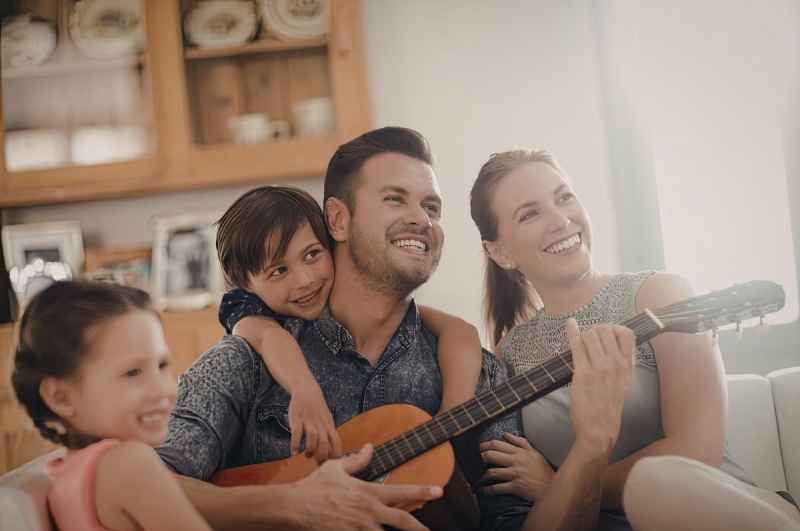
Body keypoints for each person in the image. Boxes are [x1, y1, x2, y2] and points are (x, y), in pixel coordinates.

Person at [155, 127, 636, 531]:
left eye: (432, 207)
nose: (420, 219)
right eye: (394, 198)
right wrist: (289, 504)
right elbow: (145, 485)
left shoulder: (485, 378)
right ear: (338, 220)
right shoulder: (249, 357)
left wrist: (593, 445)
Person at [469, 147, 800, 530]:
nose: (560, 220)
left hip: (714, 515)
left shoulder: (660, 295)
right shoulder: (508, 354)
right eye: (530, 214)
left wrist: (559, 485)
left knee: (656, 482)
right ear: (499, 251)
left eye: (564, 197)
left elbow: (697, 453)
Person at [213, 185, 485, 462]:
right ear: (246, 284)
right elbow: (269, 336)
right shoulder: (245, 305)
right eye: (279, 271)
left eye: (312, 254)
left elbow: (458, 330)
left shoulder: (333, 293)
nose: (305, 279)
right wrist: (303, 388)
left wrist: (452, 414)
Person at [10, 281, 214, 531]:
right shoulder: (129, 464)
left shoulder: (67, 477)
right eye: (132, 372)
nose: (162, 389)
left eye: (162, 365)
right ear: (60, 396)